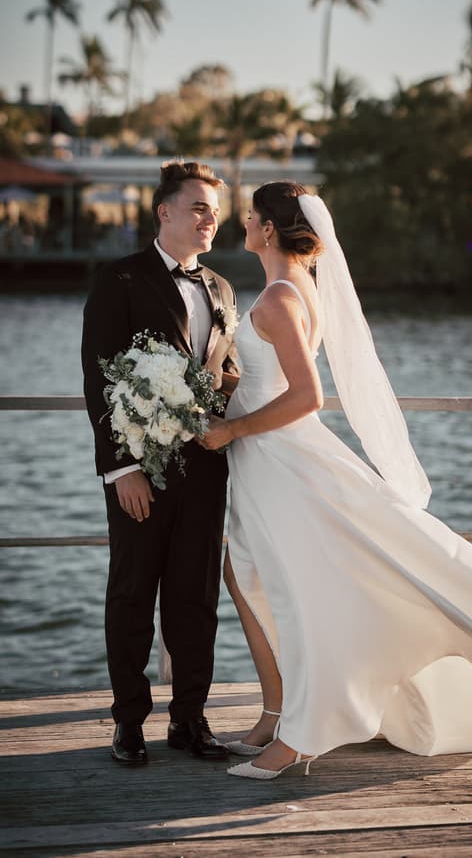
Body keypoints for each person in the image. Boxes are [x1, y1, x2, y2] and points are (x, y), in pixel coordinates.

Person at [200, 181, 472, 780]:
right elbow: (275, 382)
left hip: (282, 460)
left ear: (273, 229)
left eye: (254, 216)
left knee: (295, 586)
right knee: (249, 574)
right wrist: (227, 393)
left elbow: (307, 398)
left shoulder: (278, 299)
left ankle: (301, 732)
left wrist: (232, 430)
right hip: (267, 461)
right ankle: (279, 709)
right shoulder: (293, 289)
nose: (246, 223)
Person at [81, 161, 239, 764]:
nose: (210, 219)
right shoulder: (119, 279)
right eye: (198, 207)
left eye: (215, 210)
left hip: (206, 468)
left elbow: (224, 368)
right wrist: (121, 469)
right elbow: (99, 379)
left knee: (195, 598)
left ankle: (190, 721)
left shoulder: (222, 288)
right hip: (139, 472)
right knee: (131, 595)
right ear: (164, 211)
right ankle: (128, 724)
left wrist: (223, 400)